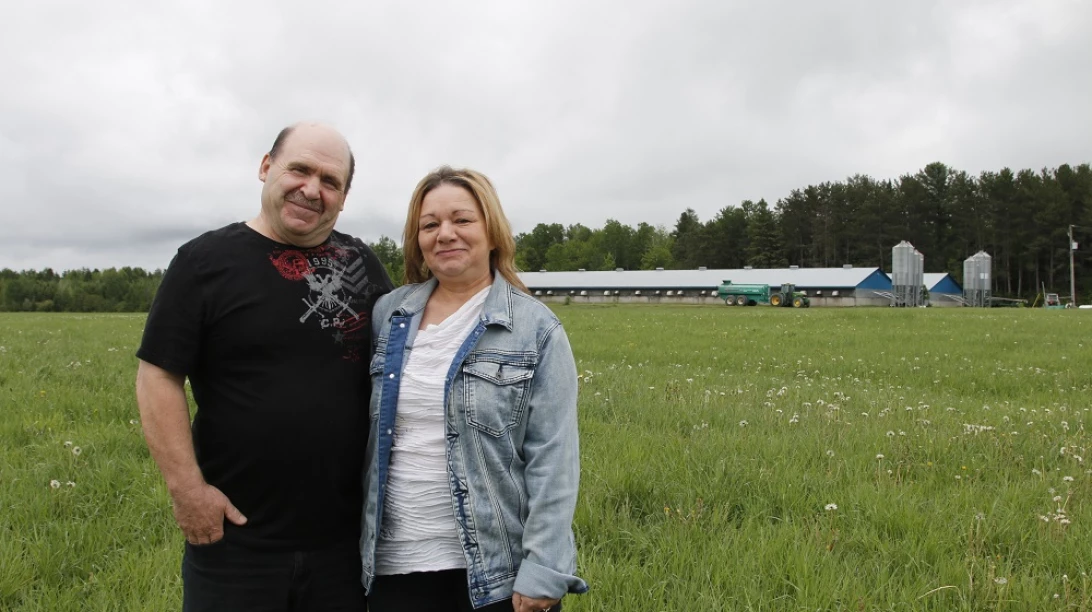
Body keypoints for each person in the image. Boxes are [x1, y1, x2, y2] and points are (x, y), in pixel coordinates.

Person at [135, 122, 393, 611]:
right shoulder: (203, 263)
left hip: (345, 544)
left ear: (344, 196)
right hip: (235, 540)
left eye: (330, 181)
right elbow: (158, 377)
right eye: (299, 169)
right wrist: (188, 491)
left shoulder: (361, 263)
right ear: (266, 167)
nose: (311, 189)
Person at [360, 166, 587, 612]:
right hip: (392, 570)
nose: (445, 234)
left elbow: (554, 458)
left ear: (492, 231)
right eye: (430, 224)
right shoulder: (388, 314)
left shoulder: (535, 328)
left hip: (495, 577)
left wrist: (544, 567)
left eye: (462, 220)